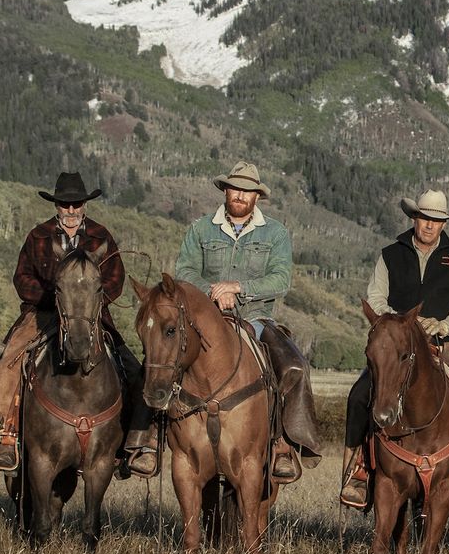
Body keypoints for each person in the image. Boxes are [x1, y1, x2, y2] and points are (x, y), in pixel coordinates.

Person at [125, 161, 322, 482]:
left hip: (256, 318)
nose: (241, 194)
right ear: (225, 190)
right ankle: (147, 440)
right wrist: (212, 292)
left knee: (295, 367)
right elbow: (185, 273)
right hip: (203, 319)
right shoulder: (200, 229)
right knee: (158, 358)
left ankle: (283, 445)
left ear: (257, 196)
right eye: (236, 188)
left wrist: (239, 288)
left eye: (248, 190)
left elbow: (281, 279)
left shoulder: (276, 233)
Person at [340, 188, 449, 509]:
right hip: (397, 347)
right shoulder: (391, 254)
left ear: (444, 223)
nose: (430, 225)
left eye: (437, 220)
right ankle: (358, 472)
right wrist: (400, 323)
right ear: (414, 217)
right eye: (425, 218)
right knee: (358, 396)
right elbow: (375, 296)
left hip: (443, 344)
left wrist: (446, 325)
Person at [0, 171, 141, 472]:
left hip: (92, 316)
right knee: (7, 363)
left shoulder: (101, 236)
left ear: (84, 204)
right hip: (43, 313)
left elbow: (115, 278)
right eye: (64, 204)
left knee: (134, 371)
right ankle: (6, 436)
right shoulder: (38, 236)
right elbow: (22, 278)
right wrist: (54, 298)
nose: (71, 211)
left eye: (76, 204)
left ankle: (133, 445)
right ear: (56, 205)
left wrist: (90, 302)